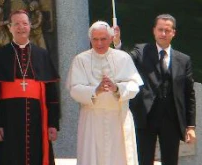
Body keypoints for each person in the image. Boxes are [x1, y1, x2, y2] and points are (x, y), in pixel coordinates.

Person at [113, 14, 196, 165]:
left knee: (171, 161)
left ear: (173, 33)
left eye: (167, 30)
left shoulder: (184, 60)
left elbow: (189, 94)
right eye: (160, 30)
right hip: (146, 117)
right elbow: (125, 59)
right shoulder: (141, 50)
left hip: (172, 119)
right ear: (154, 31)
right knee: (143, 160)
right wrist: (117, 42)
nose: (163, 33)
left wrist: (190, 126)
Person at [0, 10, 60, 165]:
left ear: (30, 26)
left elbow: (52, 94)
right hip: (8, 118)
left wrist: (53, 124)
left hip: (37, 119)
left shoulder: (42, 55)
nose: (21, 27)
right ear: (9, 27)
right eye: (16, 24)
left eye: (24, 23)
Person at [67, 21, 143, 165]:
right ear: (90, 40)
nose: (99, 43)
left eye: (103, 39)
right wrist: (95, 90)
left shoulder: (123, 58)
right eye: (95, 39)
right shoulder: (80, 60)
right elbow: (74, 89)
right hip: (92, 119)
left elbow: (134, 85)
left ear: (110, 38)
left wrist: (117, 88)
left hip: (118, 118)